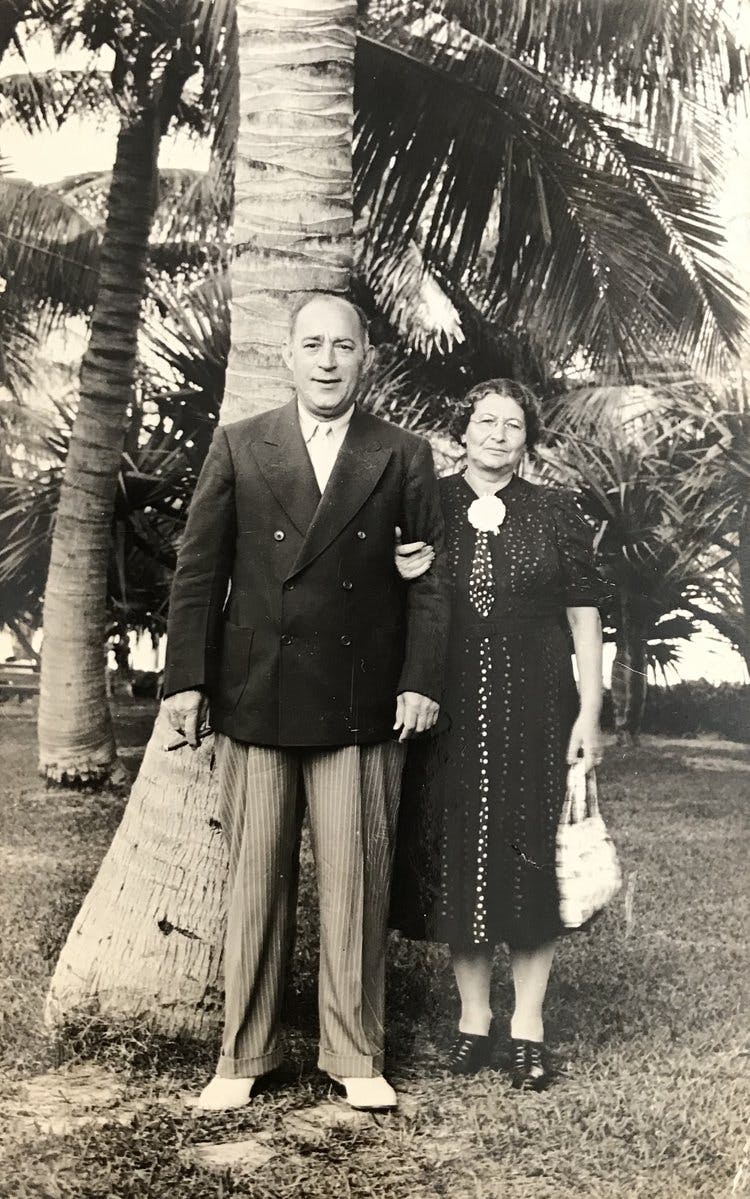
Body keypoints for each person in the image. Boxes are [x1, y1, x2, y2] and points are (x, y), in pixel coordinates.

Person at [162, 293, 450, 1112]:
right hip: (256, 693)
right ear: (287, 356)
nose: (328, 360)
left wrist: (421, 679)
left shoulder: (401, 453)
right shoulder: (241, 444)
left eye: (344, 346)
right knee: (255, 881)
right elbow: (197, 572)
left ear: (367, 358)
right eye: (312, 345)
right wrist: (186, 680)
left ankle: (355, 1054)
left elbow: (433, 584)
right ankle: (242, 1055)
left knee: (356, 879)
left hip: (362, 700)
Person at [390, 379, 609, 1091]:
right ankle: (474, 1019)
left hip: (540, 705)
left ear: (528, 437)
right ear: (463, 431)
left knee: (529, 857)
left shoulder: (557, 511)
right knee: (462, 854)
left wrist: (589, 712)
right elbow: (401, 593)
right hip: (451, 706)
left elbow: (584, 621)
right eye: (485, 421)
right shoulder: (432, 502)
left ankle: (529, 1025)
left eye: (513, 424)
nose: (498, 434)